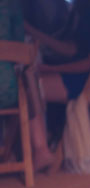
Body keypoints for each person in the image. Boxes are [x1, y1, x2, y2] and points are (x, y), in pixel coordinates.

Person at [0, 0, 54, 170]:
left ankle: (15, 152)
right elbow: (21, 47)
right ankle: (40, 148)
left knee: (22, 76)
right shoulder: (10, 5)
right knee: (26, 74)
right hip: (8, 91)